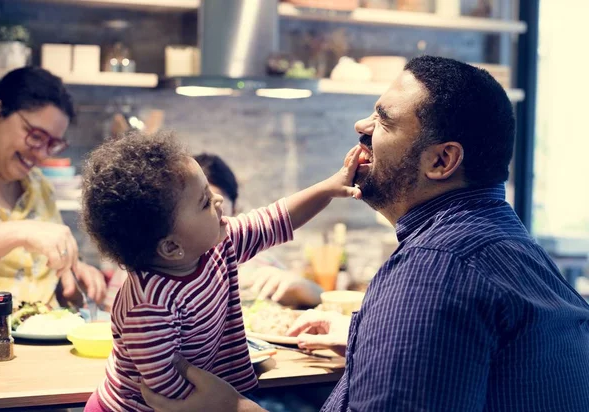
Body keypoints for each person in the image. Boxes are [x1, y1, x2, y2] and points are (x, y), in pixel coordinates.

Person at [139, 55, 589, 412]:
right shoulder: (512, 247)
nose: (362, 128)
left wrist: (232, 410)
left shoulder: (433, 271)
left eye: (384, 120)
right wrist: (365, 331)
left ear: (441, 161)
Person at [81, 130, 361, 411]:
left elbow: (275, 219)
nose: (217, 200)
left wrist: (329, 188)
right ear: (171, 247)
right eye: (204, 201)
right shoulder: (148, 306)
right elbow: (168, 392)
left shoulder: (217, 245)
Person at [102, 153, 323, 310]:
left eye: (219, 202)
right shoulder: (145, 270)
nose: (216, 205)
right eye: (204, 203)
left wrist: (303, 288)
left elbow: (275, 219)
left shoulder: (260, 259)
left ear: (236, 209)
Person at [0, 67, 106, 307]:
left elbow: (47, 268)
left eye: (51, 144)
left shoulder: (39, 186)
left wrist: (74, 273)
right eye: (35, 136)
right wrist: (20, 232)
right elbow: (27, 234)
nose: (41, 155)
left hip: (44, 337)